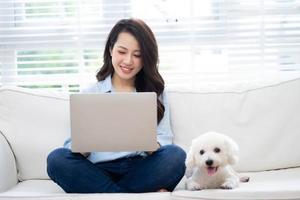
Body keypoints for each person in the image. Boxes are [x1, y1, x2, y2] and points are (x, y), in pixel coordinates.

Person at [47, 18, 186, 193]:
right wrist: (85, 147)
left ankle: (109, 194)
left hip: (140, 168)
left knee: (177, 156)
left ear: (146, 59)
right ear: (111, 50)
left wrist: (148, 143)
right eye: (122, 51)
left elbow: (165, 141)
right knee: (56, 159)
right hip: (96, 170)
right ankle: (128, 194)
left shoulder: (156, 94)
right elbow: (70, 147)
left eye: (137, 55)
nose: (128, 61)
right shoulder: (90, 94)